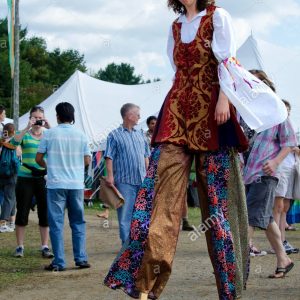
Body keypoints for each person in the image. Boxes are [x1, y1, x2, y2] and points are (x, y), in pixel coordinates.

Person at [104, 1, 276, 298]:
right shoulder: (176, 26)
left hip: (213, 110)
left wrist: (225, 99)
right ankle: (144, 285)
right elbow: (177, 71)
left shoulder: (218, 16)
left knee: (219, 208)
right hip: (176, 114)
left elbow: (227, 62)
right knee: (157, 198)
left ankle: (229, 290)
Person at [243, 70, 297, 279]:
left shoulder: (278, 112)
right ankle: (284, 259)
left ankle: (238, 265)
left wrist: (275, 162)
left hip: (265, 174)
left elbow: (289, 142)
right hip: (247, 174)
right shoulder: (246, 113)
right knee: (265, 219)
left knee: (248, 218)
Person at [36, 102, 91, 271]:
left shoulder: (49, 134)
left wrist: (50, 167)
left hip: (55, 184)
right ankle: (81, 258)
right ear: (72, 116)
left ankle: (59, 262)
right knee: (78, 222)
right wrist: (75, 167)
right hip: (75, 184)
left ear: (58, 116)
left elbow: (38, 158)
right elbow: (87, 160)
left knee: (56, 223)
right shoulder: (81, 135)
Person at [105, 103, 150, 245]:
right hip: (124, 181)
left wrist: (149, 177)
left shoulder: (141, 134)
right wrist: (110, 176)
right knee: (125, 214)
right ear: (129, 116)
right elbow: (109, 157)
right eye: (137, 114)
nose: (139, 117)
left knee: (141, 213)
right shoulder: (114, 135)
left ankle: (139, 243)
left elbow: (146, 156)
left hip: (141, 180)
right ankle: (126, 245)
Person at [12, 106, 53, 258]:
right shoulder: (25, 134)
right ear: (30, 118)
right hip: (25, 178)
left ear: (44, 118)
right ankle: (20, 246)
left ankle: (45, 246)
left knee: (44, 213)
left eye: (40, 117)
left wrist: (50, 127)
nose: (37, 120)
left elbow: (59, 143)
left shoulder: (48, 135)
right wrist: (26, 127)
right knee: (22, 212)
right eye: (34, 117)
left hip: (43, 178)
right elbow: (13, 143)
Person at [272, 100, 299, 254]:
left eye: (288, 109)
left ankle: (282, 239)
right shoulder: (276, 123)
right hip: (280, 168)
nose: (286, 112)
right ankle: (277, 243)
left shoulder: (291, 124)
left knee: (285, 207)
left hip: (291, 168)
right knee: (278, 207)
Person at [0, 123, 19, 233]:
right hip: (11, 174)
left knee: (11, 198)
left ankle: (12, 222)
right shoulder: (14, 143)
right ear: (14, 132)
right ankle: (3, 223)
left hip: (1, 173)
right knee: (9, 198)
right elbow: (16, 157)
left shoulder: (2, 142)